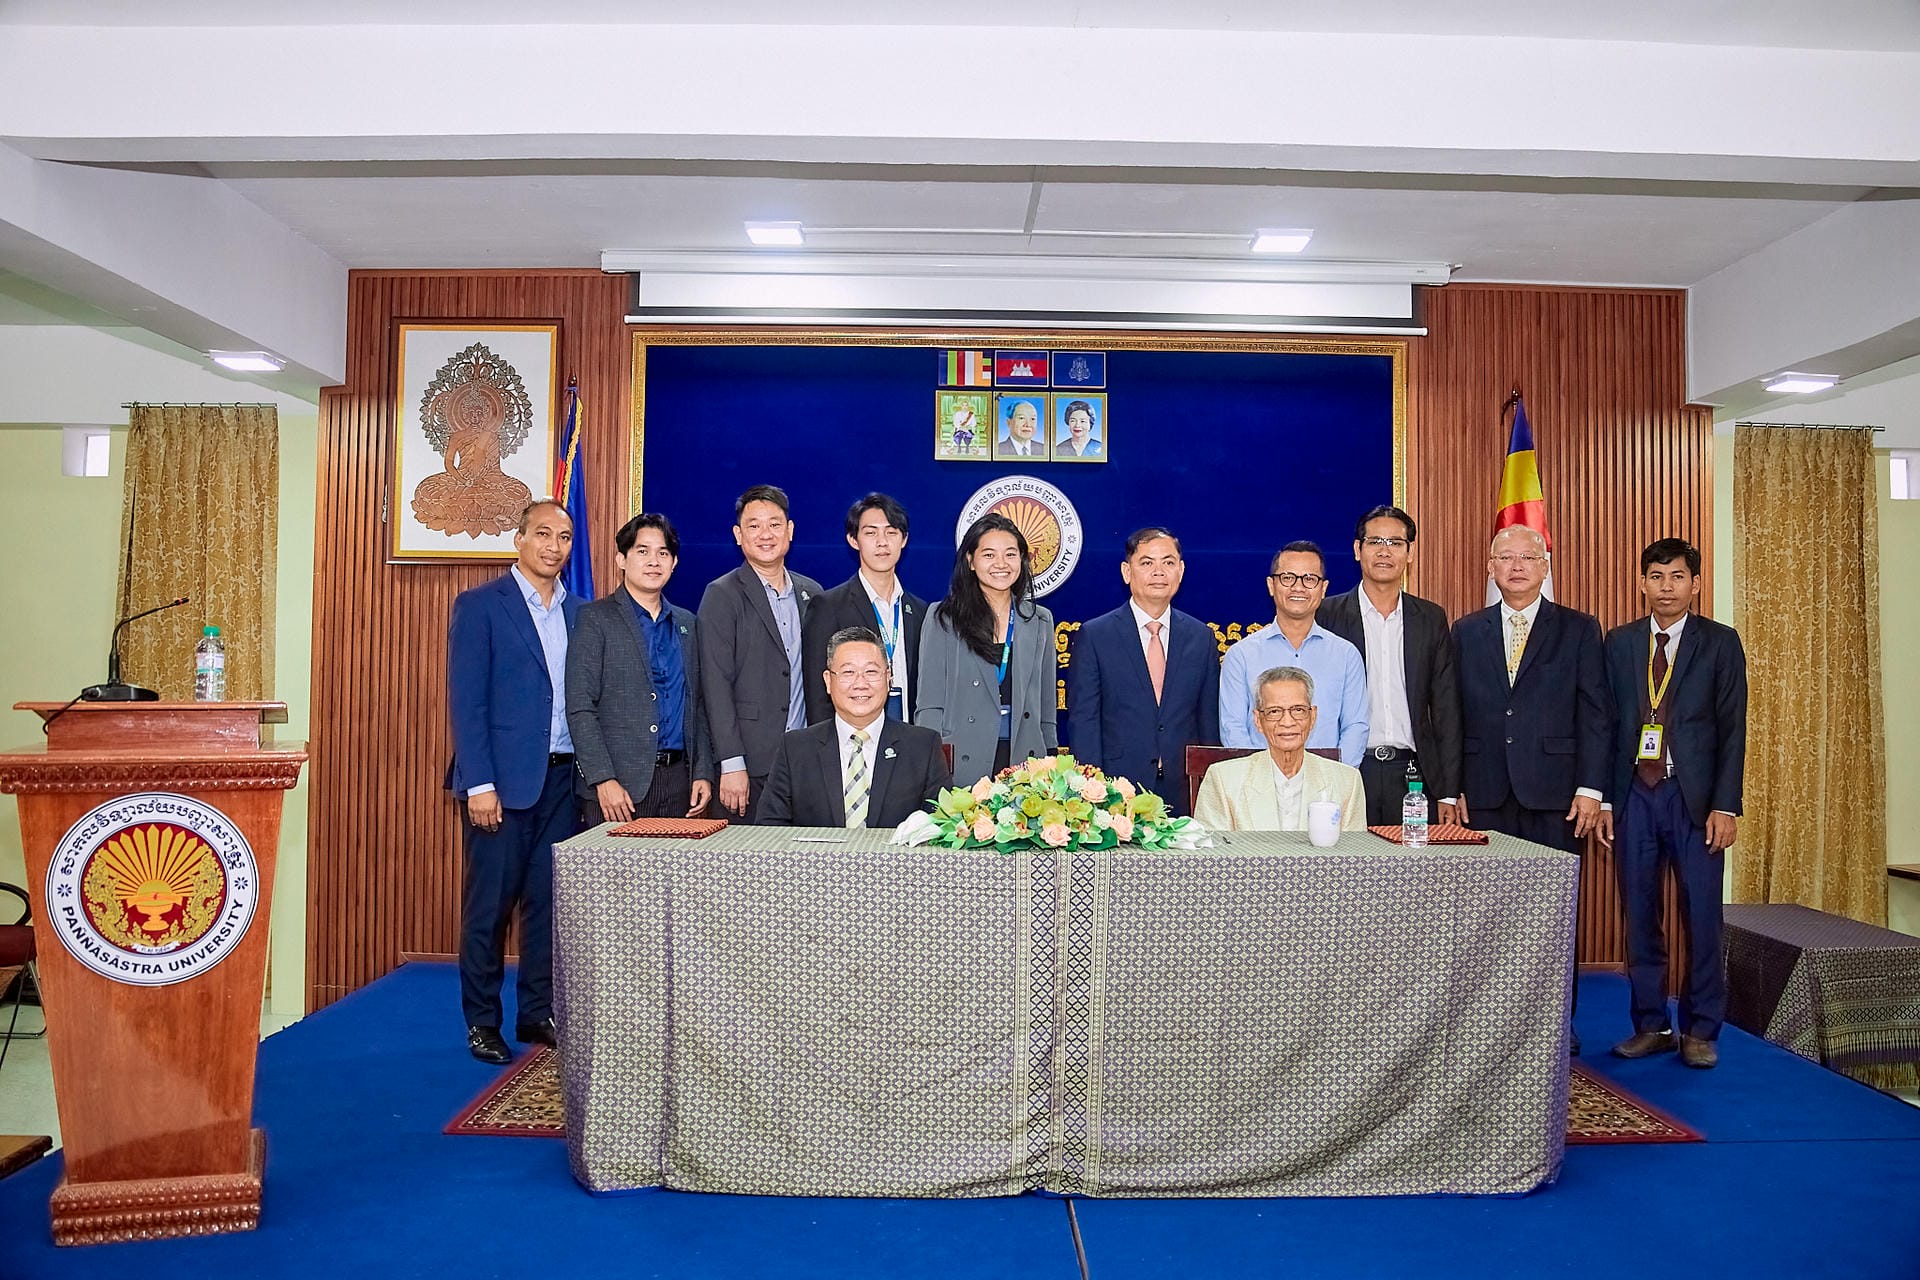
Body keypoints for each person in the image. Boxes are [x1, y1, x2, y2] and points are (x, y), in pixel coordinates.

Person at [1454, 523, 1609, 1051]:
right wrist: (1453, 787)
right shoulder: (1466, 630)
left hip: (1556, 796)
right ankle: (1488, 1024)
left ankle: (1555, 1023)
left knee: (1554, 916)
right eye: (1506, 557)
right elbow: (1451, 713)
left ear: (1545, 566)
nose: (1516, 566)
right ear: (1490, 567)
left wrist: (1591, 789)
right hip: (1485, 793)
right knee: (1487, 919)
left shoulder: (1579, 629)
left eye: (1528, 557)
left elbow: (1596, 713)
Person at [1599, 539, 1747, 1070]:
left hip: (1695, 800)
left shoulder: (1720, 642)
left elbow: (1732, 727)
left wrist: (1726, 805)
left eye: (1678, 577)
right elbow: (1605, 725)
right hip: (1635, 796)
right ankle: (1651, 1025)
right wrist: (1606, 799)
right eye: (1657, 577)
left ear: (1695, 584)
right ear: (1642, 583)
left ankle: (1701, 1030)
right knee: (1640, 915)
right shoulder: (1620, 643)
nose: (1667, 587)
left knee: (1702, 916)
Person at [446, 498, 581, 1064]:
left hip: (563, 782)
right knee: (490, 909)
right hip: (500, 786)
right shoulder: (481, 606)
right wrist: (479, 783)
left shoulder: (581, 612)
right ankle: (482, 1022)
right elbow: (467, 702)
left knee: (546, 905)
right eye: (543, 534)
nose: (554, 546)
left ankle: (535, 1011)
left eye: (565, 537)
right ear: (519, 540)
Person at [1316, 505, 1463, 826]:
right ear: (1358, 549)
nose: (1385, 551)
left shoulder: (1430, 618)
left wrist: (1449, 792)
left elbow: (1446, 708)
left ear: (1410, 553)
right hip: (1347, 771)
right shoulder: (1326, 615)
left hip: (1413, 775)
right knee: (1344, 858)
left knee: (1411, 859)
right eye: (1375, 542)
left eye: (1395, 543)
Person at [566, 512, 714, 825]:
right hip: (616, 789)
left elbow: (698, 705)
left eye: (663, 553)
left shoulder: (687, 623)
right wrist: (602, 778)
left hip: (679, 785)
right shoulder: (595, 619)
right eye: (642, 551)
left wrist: (702, 772)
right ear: (621, 559)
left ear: (674, 563)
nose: (653, 562)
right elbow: (580, 707)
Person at [1066, 526, 1219, 814]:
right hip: (1116, 791)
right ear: (1127, 572)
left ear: (1181, 571)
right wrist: (1094, 792)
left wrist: (1209, 788)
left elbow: (1208, 724)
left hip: (1185, 790)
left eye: (1168, 562)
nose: (1158, 572)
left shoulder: (1201, 637)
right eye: (1147, 563)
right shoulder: (1096, 635)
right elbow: (1084, 721)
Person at [697, 485, 822, 823]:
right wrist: (731, 762)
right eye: (754, 526)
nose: (765, 534)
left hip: (805, 758)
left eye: (774, 524)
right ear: (738, 535)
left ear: (790, 530)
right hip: (749, 763)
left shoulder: (812, 593)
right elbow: (715, 684)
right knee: (747, 854)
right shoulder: (722, 594)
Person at [915, 512, 1059, 786]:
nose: (1001, 564)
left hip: (1025, 762)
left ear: (1022, 560)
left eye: (1010, 554)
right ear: (970, 561)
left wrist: (1049, 755)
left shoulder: (1039, 620)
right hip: (963, 758)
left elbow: (1045, 705)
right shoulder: (944, 618)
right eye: (989, 555)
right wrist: (928, 761)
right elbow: (929, 703)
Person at [761, 627, 953, 827]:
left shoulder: (923, 747)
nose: (860, 683)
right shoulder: (795, 748)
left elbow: (940, 827)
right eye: (848, 672)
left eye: (871, 672)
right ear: (828, 681)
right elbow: (769, 828)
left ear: (888, 677)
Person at [1219, 541, 1368, 761]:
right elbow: (1233, 728)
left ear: (1323, 589)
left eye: (1309, 579)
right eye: (1288, 578)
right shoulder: (1241, 655)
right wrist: (1260, 776)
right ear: (1271, 585)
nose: (1298, 587)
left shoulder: (1346, 655)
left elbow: (1355, 727)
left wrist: (1336, 776)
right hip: (1258, 780)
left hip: (1328, 780)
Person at [802, 493, 927, 726]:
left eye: (891, 532)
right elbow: (817, 694)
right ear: (853, 540)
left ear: (904, 539)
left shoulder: (921, 611)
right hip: (852, 739)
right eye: (871, 533)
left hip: (909, 737)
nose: (882, 542)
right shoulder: (828, 606)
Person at [1193, 666, 1367, 832]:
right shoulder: (1223, 780)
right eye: (1274, 711)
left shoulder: (1347, 781)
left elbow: (1353, 851)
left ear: (1312, 716)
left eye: (1298, 710)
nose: (1287, 722)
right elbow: (1212, 851)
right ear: (1258, 720)